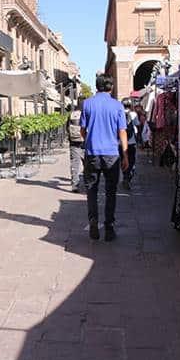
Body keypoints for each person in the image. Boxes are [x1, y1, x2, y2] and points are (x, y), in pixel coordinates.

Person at [80, 74, 128, 241]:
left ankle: (93, 220)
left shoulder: (87, 104)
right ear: (111, 87)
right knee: (110, 192)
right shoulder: (117, 106)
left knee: (92, 190)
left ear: (96, 86)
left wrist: (90, 139)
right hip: (111, 154)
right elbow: (122, 131)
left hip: (92, 153)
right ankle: (109, 227)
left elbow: (82, 130)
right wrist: (125, 154)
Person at [121, 100, 140, 190]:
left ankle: (125, 176)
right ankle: (128, 177)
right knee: (132, 161)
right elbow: (138, 124)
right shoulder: (133, 114)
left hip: (120, 142)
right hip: (131, 142)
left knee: (123, 160)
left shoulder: (118, 113)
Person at [67, 102, 85, 192]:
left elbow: (67, 128)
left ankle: (75, 185)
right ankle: (87, 182)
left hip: (74, 143)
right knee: (88, 164)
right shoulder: (86, 113)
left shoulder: (71, 114)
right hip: (85, 143)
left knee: (75, 164)